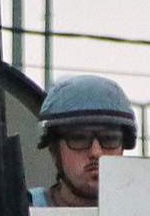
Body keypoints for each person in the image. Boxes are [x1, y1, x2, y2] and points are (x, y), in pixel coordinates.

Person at [30, 75, 136, 208]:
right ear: (54, 151)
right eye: (79, 139)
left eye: (109, 139)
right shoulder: (21, 212)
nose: (96, 152)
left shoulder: (147, 215)